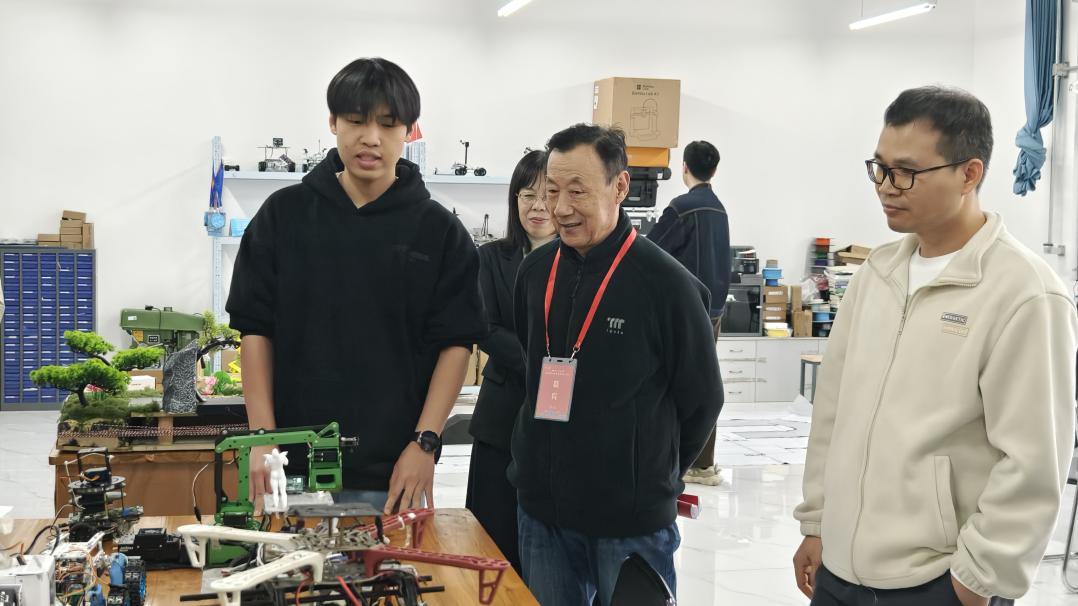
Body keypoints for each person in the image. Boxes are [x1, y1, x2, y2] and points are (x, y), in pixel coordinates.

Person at [792, 86, 1078, 606]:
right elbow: (833, 412)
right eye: (879, 168)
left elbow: (1033, 461)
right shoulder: (876, 274)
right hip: (838, 572)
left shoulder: (1023, 294)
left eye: (906, 172)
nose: (886, 187)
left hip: (937, 582)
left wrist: (976, 579)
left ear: (969, 174)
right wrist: (817, 521)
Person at [226, 57, 485, 514]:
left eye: (388, 123)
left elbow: (456, 343)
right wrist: (262, 438)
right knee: (288, 562)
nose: (371, 137)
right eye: (356, 120)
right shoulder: (283, 216)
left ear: (409, 130)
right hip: (291, 463)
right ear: (333, 122)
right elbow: (255, 330)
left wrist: (425, 442)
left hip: (395, 470)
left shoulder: (439, 232)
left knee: (391, 564)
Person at [509, 124, 723, 605]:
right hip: (543, 514)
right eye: (552, 191)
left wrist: (651, 477)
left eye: (578, 191)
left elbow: (703, 400)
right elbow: (532, 366)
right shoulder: (535, 273)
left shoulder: (666, 284)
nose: (561, 208)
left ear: (620, 186)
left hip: (630, 524)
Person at [465, 149, 557, 573]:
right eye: (527, 195)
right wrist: (541, 367)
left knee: (549, 546)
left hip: (560, 417)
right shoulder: (491, 258)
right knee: (493, 534)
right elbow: (484, 326)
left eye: (547, 194)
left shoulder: (579, 259)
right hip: (502, 411)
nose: (538, 206)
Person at [647, 139, 730, 486]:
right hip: (715, 311)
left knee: (673, 387)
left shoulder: (681, 208)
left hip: (686, 311)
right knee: (705, 385)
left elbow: (649, 250)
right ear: (714, 169)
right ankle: (703, 464)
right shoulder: (719, 209)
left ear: (684, 167)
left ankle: (674, 462)